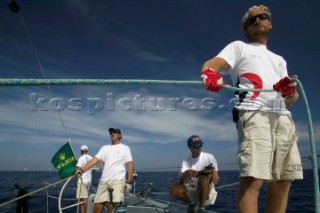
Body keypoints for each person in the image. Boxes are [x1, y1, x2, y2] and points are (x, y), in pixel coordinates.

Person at [200, 5, 303, 213]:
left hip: (283, 119)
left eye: (262, 17)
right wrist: (209, 72)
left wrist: (290, 91)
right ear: (246, 30)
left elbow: (291, 99)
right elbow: (213, 63)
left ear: (270, 23)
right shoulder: (239, 47)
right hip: (254, 115)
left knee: (284, 180)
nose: (257, 20)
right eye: (251, 20)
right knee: (254, 179)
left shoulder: (280, 60)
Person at [76, 128, 134, 213]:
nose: (112, 134)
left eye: (114, 132)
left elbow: (130, 164)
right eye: (111, 133)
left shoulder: (125, 148)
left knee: (112, 205)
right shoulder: (104, 148)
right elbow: (94, 160)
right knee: (97, 206)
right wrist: (81, 170)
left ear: (120, 135)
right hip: (103, 181)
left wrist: (129, 182)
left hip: (117, 180)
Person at [169, 135, 219, 213]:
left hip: (206, 189)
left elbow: (216, 181)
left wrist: (210, 174)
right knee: (173, 189)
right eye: (196, 146)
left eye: (200, 145)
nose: (199, 148)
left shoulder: (210, 158)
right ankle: (191, 203)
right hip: (192, 187)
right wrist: (186, 173)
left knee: (204, 178)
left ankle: (201, 208)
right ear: (189, 147)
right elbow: (181, 182)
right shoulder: (186, 161)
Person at [76, 145, 93, 213]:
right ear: (87, 151)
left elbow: (78, 168)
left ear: (81, 151)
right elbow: (93, 169)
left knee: (82, 200)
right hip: (88, 180)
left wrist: (77, 173)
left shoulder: (81, 158)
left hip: (82, 180)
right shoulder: (91, 158)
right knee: (84, 198)